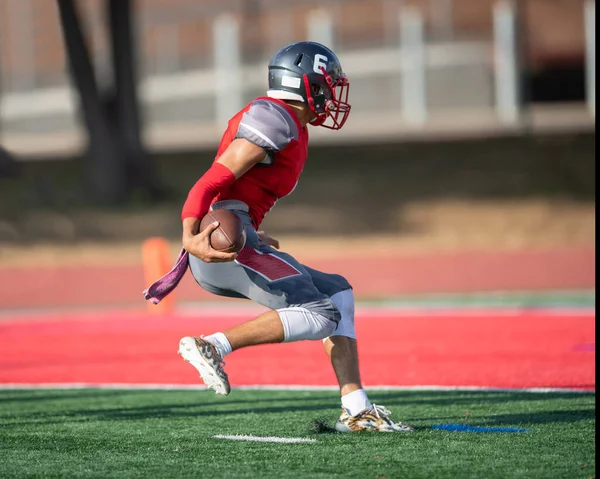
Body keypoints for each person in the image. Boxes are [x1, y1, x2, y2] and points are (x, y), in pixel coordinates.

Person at [144, 41, 413, 433]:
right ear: (306, 84)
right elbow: (214, 178)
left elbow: (241, 190)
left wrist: (251, 225)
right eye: (327, 85)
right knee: (321, 314)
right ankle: (213, 346)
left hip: (239, 231)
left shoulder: (292, 124)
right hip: (220, 241)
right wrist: (188, 232)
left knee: (338, 292)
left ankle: (355, 408)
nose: (331, 94)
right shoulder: (275, 117)